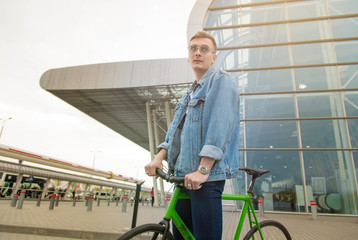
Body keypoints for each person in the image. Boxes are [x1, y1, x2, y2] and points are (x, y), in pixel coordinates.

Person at [145, 30, 240, 240]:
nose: (198, 53)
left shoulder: (221, 81)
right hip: (183, 176)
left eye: (204, 49)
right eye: (193, 49)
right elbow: (173, 131)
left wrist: (203, 169)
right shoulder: (188, 94)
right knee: (181, 237)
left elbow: (219, 126)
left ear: (213, 57)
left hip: (205, 178)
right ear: (189, 56)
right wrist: (158, 159)